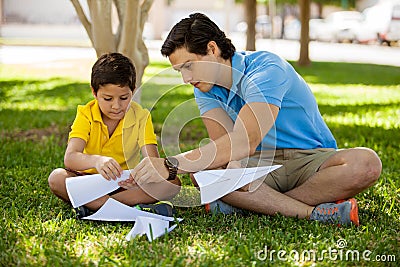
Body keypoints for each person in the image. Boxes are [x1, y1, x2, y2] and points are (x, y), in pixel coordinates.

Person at [129, 13, 382, 226]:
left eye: (188, 66)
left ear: (212, 49)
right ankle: (311, 211)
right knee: (206, 169)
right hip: (260, 166)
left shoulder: (266, 69)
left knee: (367, 163)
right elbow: (226, 148)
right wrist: (228, 168)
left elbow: (245, 140)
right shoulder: (203, 88)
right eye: (179, 71)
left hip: (310, 161)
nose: (185, 78)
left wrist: (172, 164)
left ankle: (266, 206)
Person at [48, 52, 180, 218]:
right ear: (94, 93)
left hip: (124, 184)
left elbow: (152, 161)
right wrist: (97, 161)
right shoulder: (85, 114)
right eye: (108, 98)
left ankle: (94, 206)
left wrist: (140, 175)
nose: (116, 106)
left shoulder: (141, 116)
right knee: (56, 178)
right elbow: (71, 158)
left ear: (133, 91)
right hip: (87, 180)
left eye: (124, 98)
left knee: (173, 183)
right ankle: (127, 208)